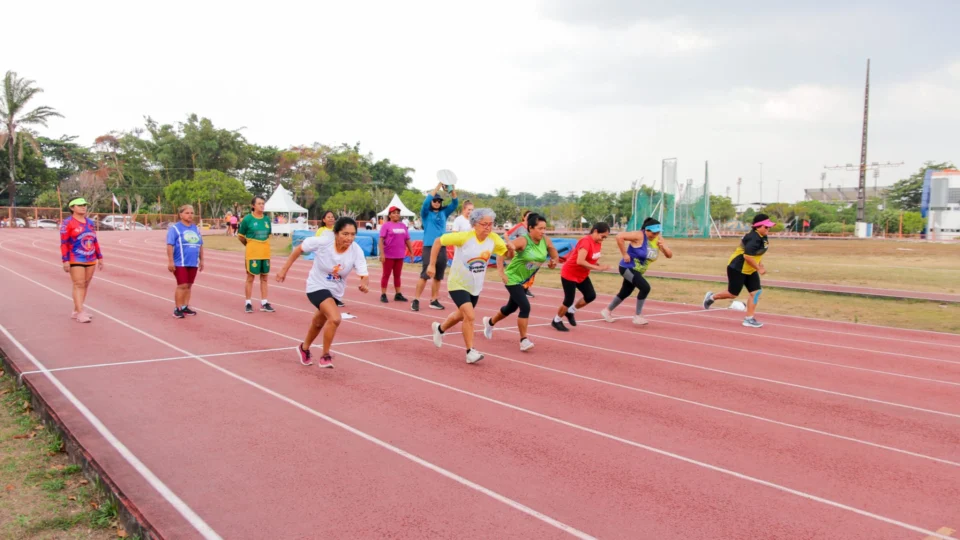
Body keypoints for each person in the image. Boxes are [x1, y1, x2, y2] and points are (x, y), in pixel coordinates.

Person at [277, 217, 369, 368]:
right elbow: (299, 249)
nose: (349, 238)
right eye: (345, 234)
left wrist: (364, 284)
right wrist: (283, 270)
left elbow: (364, 274)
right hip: (316, 286)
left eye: (353, 234)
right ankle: (325, 356)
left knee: (319, 322)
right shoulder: (323, 242)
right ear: (336, 233)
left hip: (335, 292)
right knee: (335, 318)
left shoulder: (356, 250)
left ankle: (304, 348)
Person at [428, 208, 512, 364]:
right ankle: (470, 352)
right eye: (484, 224)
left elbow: (505, 253)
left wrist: (511, 250)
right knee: (470, 316)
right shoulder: (464, 237)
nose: (488, 227)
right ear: (474, 224)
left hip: (475, 286)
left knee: (461, 315)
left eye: (491, 224)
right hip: (457, 283)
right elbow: (438, 241)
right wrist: (431, 265)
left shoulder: (494, 239)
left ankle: (439, 329)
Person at [482, 213, 558, 351]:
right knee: (525, 306)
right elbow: (501, 253)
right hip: (512, 278)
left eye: (544, 228)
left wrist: (554, 261)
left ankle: (490, 321)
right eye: (540, 228)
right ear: (530, 228)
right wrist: (501, 273)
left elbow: (553, 251)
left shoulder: (545, 240)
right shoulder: (523, 241)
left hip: (526, 280)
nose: (543, 231)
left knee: (511, 308)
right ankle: (524, 340)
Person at [703, 213, 774, 328]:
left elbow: (757, 254)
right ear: (758, 226)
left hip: (749, 269)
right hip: (737, 267)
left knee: (756, 293)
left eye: (769, 226)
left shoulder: (763, 237)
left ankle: (749, 319)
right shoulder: (753, 238)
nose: (768, 229)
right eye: (766, 227)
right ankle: (711, 297)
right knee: (732, 294)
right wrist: (758, 268)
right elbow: (747, 256)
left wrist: (760, 264)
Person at [600, 217, 672, 326]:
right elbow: (619, 237)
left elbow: (669, 256)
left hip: (638, 271)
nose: (655, 235)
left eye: (657, 233)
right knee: (645, 287)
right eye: (653, 233)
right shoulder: (639, 235)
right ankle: (638, 316)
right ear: (646, 230)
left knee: (625, 292)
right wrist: (624, 254)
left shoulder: (658, 239)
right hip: (627, 267)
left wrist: (664, 247)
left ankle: (607, 311)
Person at [552, 222, 611, 332]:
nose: (603, 239)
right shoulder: (586, 241)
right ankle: (556, 320)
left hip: (582, 275)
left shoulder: (598, 242)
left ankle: (571, 311)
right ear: (595, 231)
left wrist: (596, 264)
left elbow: (590, 258)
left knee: (590, 296)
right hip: (570, 273)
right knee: (568, 300)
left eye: (605, 238)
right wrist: (598, 268)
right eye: (602, 236)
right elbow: (580, 261)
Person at [412, 183, 459, 312]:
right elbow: (426, 202)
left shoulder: (444, 212)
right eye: (435, 200)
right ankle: (416, 299)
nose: (437, 202)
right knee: (425, 274)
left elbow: (455, 203)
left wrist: (451, 189)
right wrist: (438, 185)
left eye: (439, 201)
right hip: (428, 246)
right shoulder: (426, 213)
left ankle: (434, 300)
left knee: (438, 276)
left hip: (442, 247)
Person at [60, 198, 103, 323]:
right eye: (80, 205)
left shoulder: (90, 222)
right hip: (75, 258)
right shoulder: (67, 223)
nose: (83, 207)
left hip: (90, 258)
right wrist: (65, 260)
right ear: (72, 208)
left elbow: (94, 240)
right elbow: (64, 243)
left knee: (85, 284)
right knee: (78, 284)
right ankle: (80, 312)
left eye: (84, 205)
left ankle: (76, 310)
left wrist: (100, 257)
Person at [238, 196, 275, 313]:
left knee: (264, 278)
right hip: (252, 253)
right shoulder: (247, 219)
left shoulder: (267, 220)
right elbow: (241, 236)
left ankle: (264, 302)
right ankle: (248, 303)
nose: (262, 206)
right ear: (253, 206)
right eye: (259, 203)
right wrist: (250, 245)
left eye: (263, 203)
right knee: (250, 277)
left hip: (265, 253)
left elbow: (268, 234)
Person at [166, 204, 204, 318]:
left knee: (189, 285)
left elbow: (200, 245)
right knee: (182, 285)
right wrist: (170, 261)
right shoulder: (175, 229)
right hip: (180, 262)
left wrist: (202, 260)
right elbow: (169, 245)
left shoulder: (195, 228)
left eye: (192, 213)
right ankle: (177, 309)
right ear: (181, 215)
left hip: (193, 262)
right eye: (187, 213)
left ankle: (185, 306)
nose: (190, 215)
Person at [378, 206, 413, 303]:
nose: (396, 214)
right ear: (389, 215)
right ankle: (383, 294)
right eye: (393, 213)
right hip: (388, 255)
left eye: (398, 213)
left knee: (397, 275)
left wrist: (411, 252)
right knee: (386, 275)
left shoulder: (403, 226)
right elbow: (381, 240)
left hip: (400, 255)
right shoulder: (386, 226)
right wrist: (382, 254)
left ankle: (398, 294)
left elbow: (407, 240)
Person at [506, 210, 537, 298]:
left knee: (531, 271)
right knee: (522, 271)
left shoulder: (533, 227)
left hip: (532, 253)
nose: (530, 217)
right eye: (528, 216)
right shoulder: (519, 226)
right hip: (521, 253)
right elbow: (506, 235)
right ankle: (520, 289)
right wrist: (510, 244)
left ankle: (525, 289)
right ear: (524, 217)